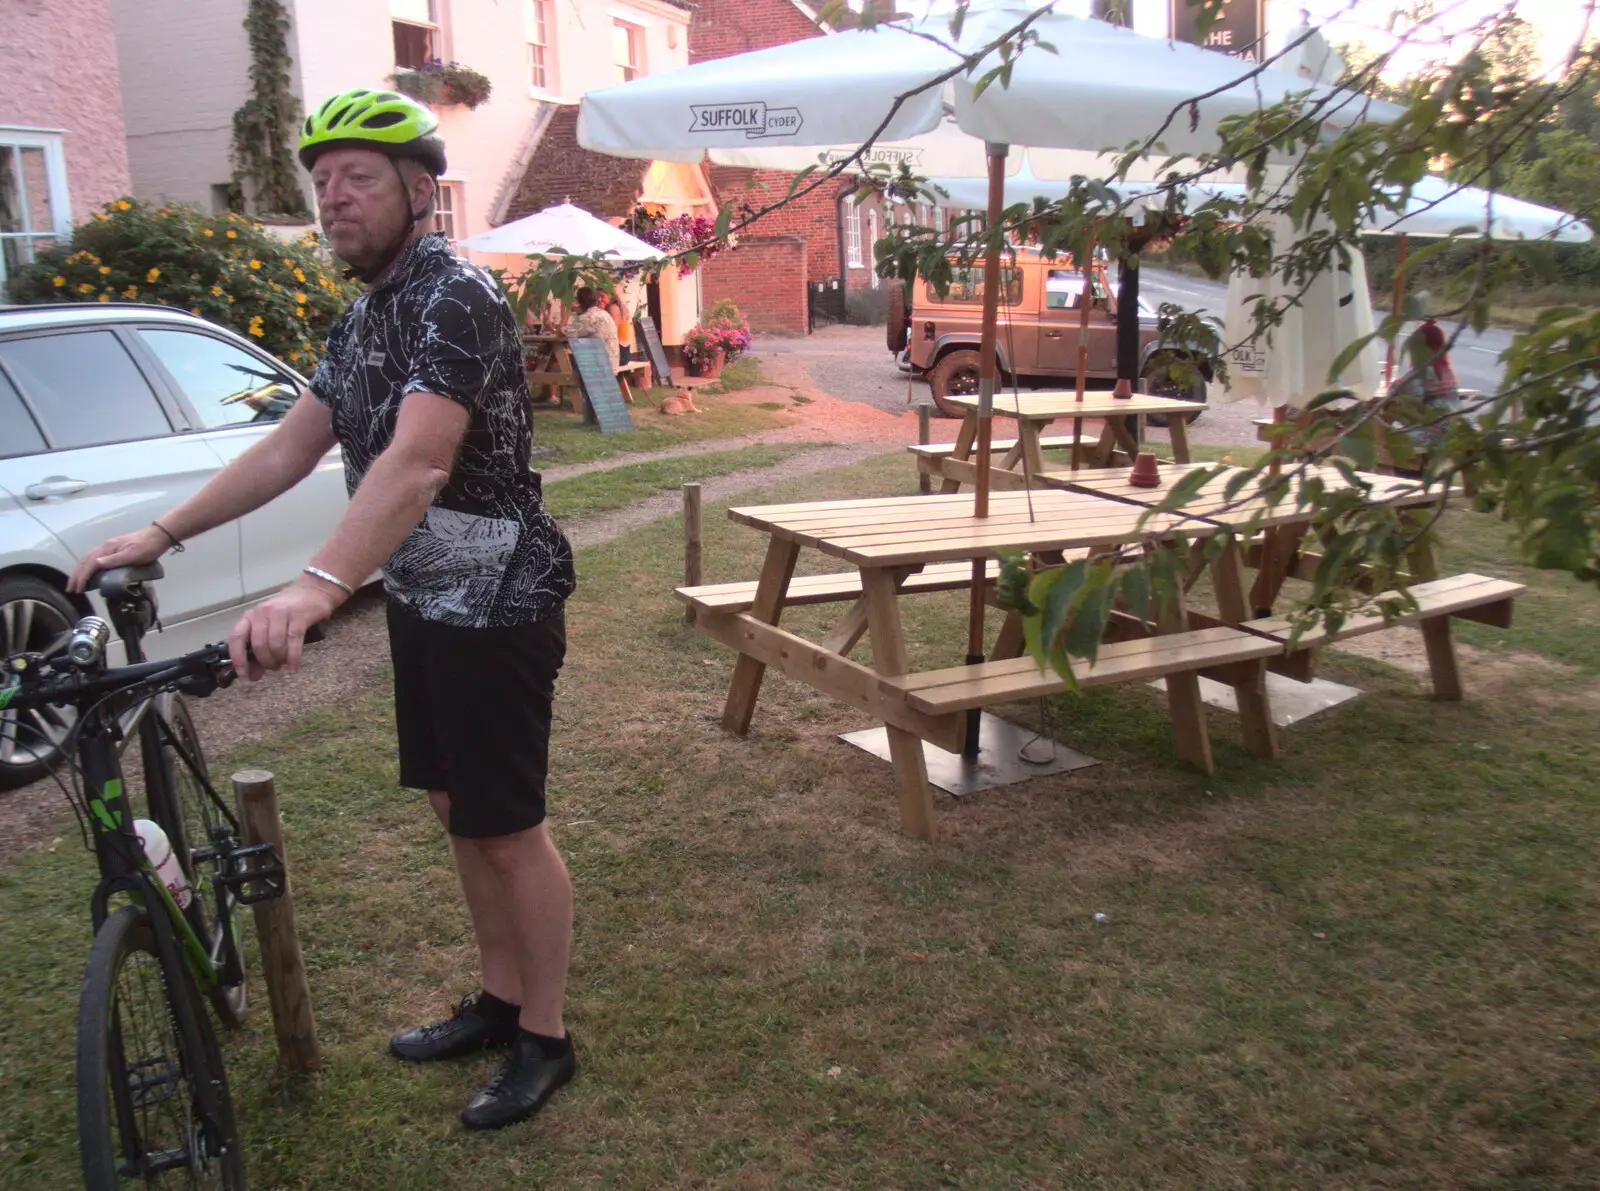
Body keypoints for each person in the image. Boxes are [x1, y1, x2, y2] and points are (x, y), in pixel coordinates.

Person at [68, 88, 579, 1132]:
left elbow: (417, 461)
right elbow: (290, 447)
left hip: (496, 601)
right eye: (321, 183)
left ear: (418, 190)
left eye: (357, 178)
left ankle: (547, 1034)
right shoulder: (365, 313)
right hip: (424, 600)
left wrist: (314, 585)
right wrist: (164, 533)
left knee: (507, 827)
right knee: (453, 810)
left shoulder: (457, 296)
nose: (333, 199)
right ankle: (497, 1000)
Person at [565, 286, 619, 373]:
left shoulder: (586, 317)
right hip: (611, 364)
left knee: (556, 366)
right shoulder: (604, 314)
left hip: (596, 366)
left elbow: (563, 333)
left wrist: (566, 312)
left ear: (579, 302)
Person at [606, 291, 635, 367]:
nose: (599, 299)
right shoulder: (619, 307)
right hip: (623, 353)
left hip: (619, 356)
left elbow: (614, 331)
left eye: (602, 296)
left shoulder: (613, 308)